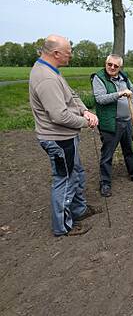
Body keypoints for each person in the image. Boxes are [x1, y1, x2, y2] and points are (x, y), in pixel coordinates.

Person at [29, 34, 101, 237]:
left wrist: (84, 110)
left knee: (75, 172)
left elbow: (71, 96)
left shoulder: (53, 71)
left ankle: (78, 211)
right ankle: (63, 226)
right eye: (68, 52)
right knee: (65, 179)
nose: (71, 56)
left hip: (66, 137)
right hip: (58, 139)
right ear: (56, 53)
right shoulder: (46, 78)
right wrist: (85, 122)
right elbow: (59, 115)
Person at [91, 54, 133, 197]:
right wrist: (120, 93)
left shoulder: (124, 77)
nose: (112, 67)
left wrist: (132, 107)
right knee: (107, 154)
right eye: (110, 64)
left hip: (127, 121)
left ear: (120, 67)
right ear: (106, 63)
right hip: (111, 122)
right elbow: (100, 98)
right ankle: (105, 183)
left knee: (129, 150)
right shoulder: (99, 78)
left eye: (116, 66)